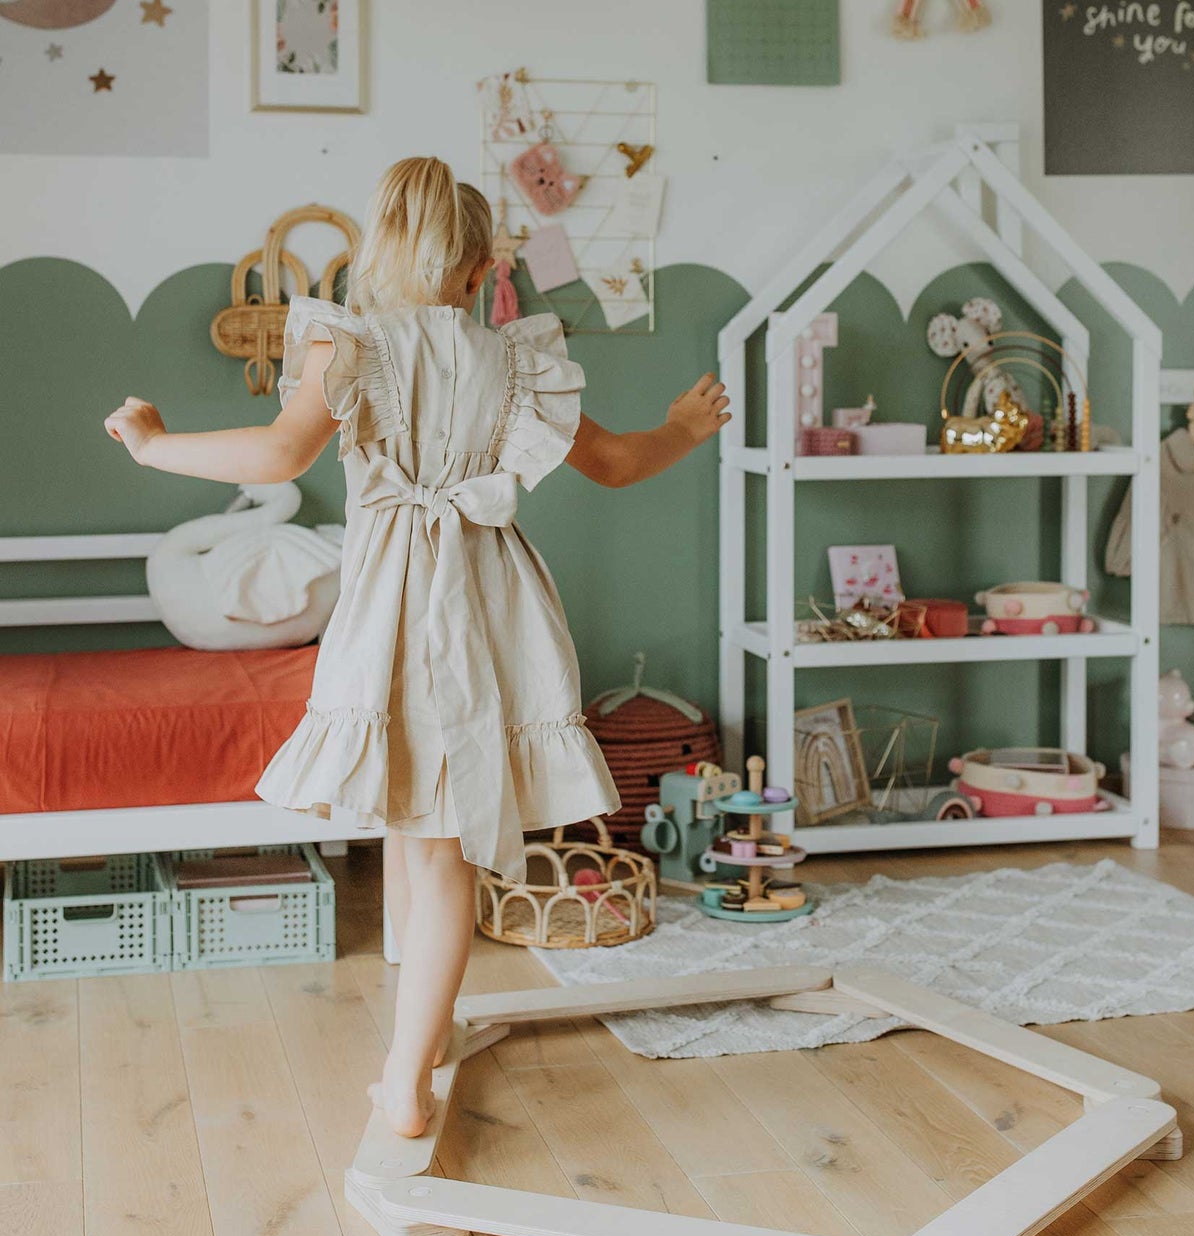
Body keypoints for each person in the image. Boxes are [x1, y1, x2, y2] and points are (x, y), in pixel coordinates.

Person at [105, 155, 730, 1137]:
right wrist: (684, 427)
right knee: (430, 828)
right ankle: (421, 1040)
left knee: (423, 834)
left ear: (382, 247)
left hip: (394, 600)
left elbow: (277, 455)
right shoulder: (514, 358)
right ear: (483, 264)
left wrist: (152, 444)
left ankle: (404, 1082)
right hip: (488, 601)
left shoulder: (347, 344)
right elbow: (611, 463)